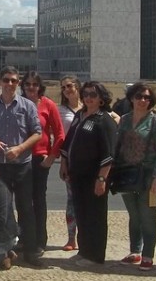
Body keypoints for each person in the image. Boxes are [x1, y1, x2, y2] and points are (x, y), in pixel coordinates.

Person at [0, 66, 43, 267]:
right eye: (6, 80)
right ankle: (6, 250)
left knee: (26, 208)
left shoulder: (27, 106)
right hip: (0, 166)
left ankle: (31, 249)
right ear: (0, 81)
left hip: (22, 165)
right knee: (4, 209)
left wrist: (19, 149)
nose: (10, 84)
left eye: (14, 81)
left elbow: (37, 133)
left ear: (18, 83)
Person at [59, 81, 117, 267]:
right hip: (78, 176)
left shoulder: (104, 120)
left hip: (95, 176)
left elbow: (108, 153)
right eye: (86, 94)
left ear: (101, 98)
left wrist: (102, 178)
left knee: (95, 216)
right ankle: (84, 250)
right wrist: (64, 164)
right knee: (81, 213)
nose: (89, 98)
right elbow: (69, 143)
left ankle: (95, 255)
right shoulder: (80, 115)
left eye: (93, 94)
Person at [114, 82, 156, 271]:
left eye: (147, 98)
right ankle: (135, 251)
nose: (143, 100)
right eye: (139, 96)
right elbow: (118, 146)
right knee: (134, 215)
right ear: (131, 98)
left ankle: (148, 254)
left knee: (147, 215)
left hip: (149, 175)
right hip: (127, 174)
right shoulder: (125, 119)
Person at [21, 71, 65, 256]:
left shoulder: (48, 105)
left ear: (40, 87)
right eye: (28, 84)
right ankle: (25, 237)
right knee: (22, 201)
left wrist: (52, 157)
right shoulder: (17, 103)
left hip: (40, 159)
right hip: (21, 159)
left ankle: (40, 240)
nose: (31, 87)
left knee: (38, 200)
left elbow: (60, 134)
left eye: (35, 84)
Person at [57, 75, 82, 251]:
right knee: (72, 200)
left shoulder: (89, 107)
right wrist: (62, 161)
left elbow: (115, 118)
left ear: (78, 87)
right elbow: (59, 137)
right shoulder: (60, 110)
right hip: (70, 160)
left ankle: (86, 236)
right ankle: (71, 238)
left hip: (89, 160)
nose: (67, 89)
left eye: (70, 86)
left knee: (87, 200)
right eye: (64, 87)